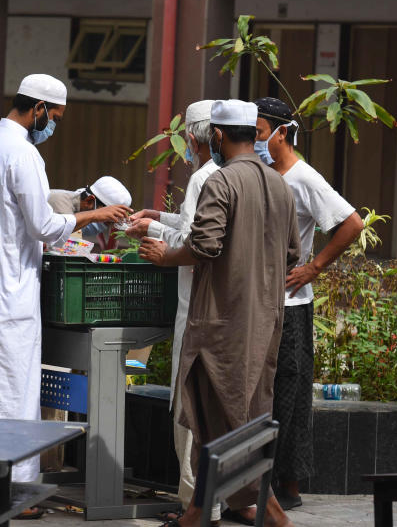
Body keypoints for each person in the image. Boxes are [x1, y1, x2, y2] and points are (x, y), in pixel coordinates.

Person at [0, 74, 131, 519]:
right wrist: (96, 214)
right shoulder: (23, 153)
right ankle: (13, 489)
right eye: (57, 118)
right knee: (12, 388)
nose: (55, 126)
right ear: (40, 109)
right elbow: (44, 226)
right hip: (9, 290)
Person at [139, 100, 299, 527]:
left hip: (222, 324)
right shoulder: (280, 184)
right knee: (234, 419)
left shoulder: (221, 182)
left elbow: (205, 246)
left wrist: (165, 255)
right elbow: (292, 253)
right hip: (264, 324)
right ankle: (196, 514)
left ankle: (271, 513)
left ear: (219, 136)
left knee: (224, 421)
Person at [252, 97, 363, 510]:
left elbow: (352, 224)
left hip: (292, 305)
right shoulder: (261, 173)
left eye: (261, 131)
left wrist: (313, 267)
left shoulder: (304, 177)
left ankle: (289, 485)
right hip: (260, 301)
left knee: (290, 395)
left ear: (282, 132)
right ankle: (262, 481)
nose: (257, 139)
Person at [124, 100, 221, 524]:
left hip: (195, 305)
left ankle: (193, 504)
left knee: (188, 408)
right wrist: (158, 215)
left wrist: (153, 231)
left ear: (196, 139)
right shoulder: (238, 176)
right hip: (222, 311)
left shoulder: (203, 177)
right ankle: (212, 501)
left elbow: (193, 240)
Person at [48, 176, 132, 248]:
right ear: (89, 201)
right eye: (105, 217)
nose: (106, 221)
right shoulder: (61, 206)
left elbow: (81, 228)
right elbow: (69, 246)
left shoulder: (77, 204)